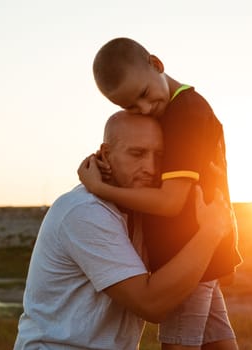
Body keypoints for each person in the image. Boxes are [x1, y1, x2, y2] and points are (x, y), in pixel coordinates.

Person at [14, 111, 234, 350]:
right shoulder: (84, 211)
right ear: (107, 154)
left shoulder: (147, 212)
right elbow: (151, 304)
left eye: (160, 156)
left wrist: (211, 194)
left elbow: (215, 281)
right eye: (137, 154)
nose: (150, 167)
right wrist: (211, 232)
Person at [79, 37, 242, 349]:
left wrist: (101, 189)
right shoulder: (180, 109)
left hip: (185, 256)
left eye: (143, 94)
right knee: (218, 344)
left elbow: (171, 202)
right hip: (200, 253)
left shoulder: (185, 114)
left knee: (179, 344)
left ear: (157, 64)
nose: (144, 109)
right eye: (130, 106)